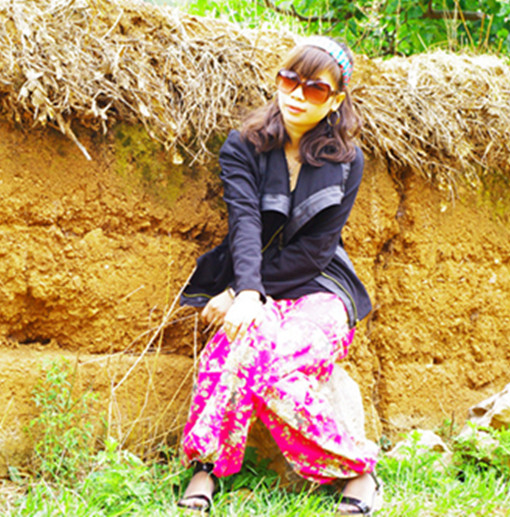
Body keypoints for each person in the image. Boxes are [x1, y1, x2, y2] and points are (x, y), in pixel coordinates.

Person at [176, 36, 382, 516]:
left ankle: (359, 470)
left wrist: (243, 291)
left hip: (321, 288)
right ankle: (207, 465)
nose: (295, 94)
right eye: (289, 80)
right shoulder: (243, 145)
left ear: (334, 100)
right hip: (253, 278)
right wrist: (245, 290)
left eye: (313, 88)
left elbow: (315, 252)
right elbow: (244, 222)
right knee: (240, 339)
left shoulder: (348, 161)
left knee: (273, 372)